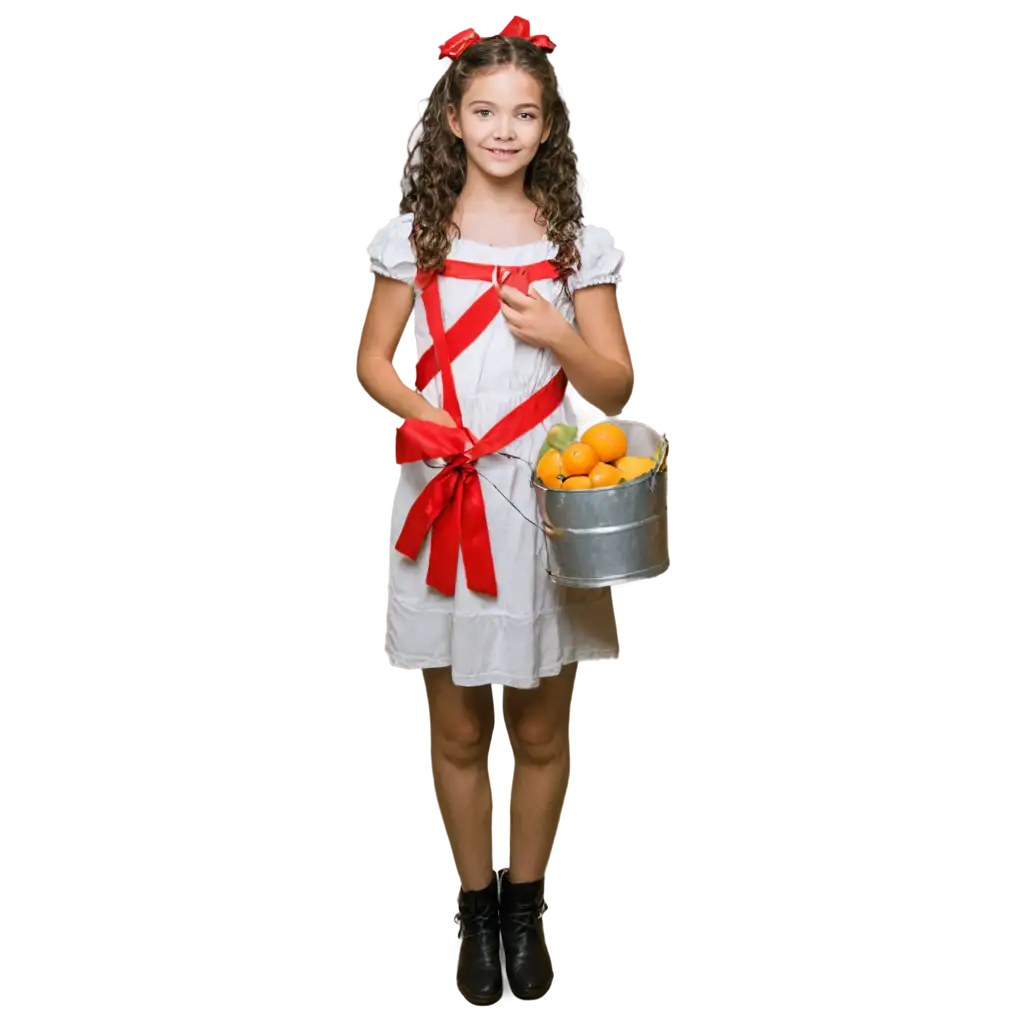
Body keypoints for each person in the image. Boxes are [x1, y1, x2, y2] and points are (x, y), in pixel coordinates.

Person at [355, 15, 631, 1006]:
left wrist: (559, 331)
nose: (504, 129)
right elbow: (370, 363)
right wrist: (437, 426)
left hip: (542, 496)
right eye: (485, 111)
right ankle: (476, 911)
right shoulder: (412, 239)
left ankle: (527, 909)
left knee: (544, 728)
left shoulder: (575, 245)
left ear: (547, 124)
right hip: (446, 488)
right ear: (454, 118)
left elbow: (613, 377)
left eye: (524, 112)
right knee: (463, 728)